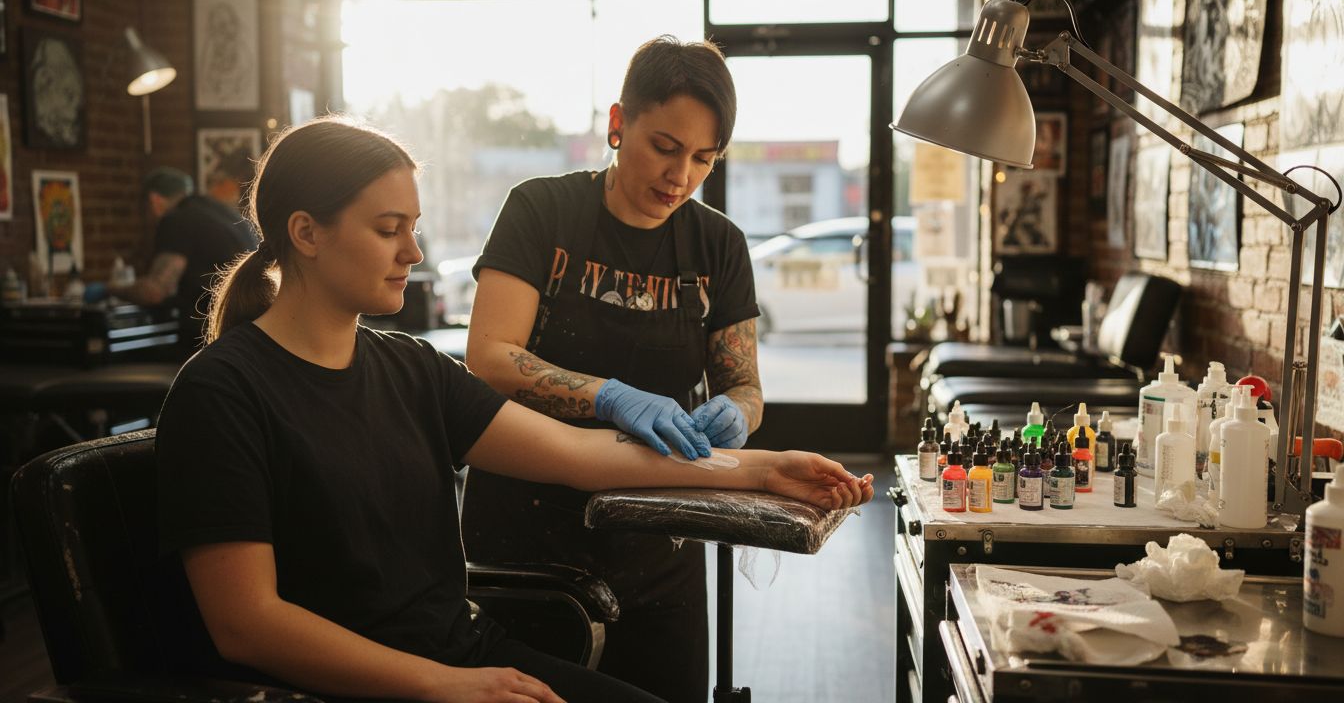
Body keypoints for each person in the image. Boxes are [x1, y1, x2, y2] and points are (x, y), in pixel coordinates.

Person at [154, 115, 873, 703]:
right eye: (388, 228)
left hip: (462, 654)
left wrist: (762, 469)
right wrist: (446, 686)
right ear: (306, 233)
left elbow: (585, 456)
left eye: (415, 225)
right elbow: (247, 625)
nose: (414, 250)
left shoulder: (408, 369)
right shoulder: (223, 393)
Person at [461, 36, 760, 702]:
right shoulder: (542, 210)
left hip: (661, 543)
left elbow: (744, 384)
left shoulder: (719, 245)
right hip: (527, 541)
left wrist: (736, 413)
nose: (680, 175)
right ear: (618, 124)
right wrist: (608, 397)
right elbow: (488, 356)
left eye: (703, 159)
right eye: (664, 146)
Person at [100, 167, 257, 357]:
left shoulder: (175, 219)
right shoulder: (224, 213)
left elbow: (154, 292)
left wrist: (108, 289)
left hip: (215, 340)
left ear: (154, 201)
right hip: (252, 336)